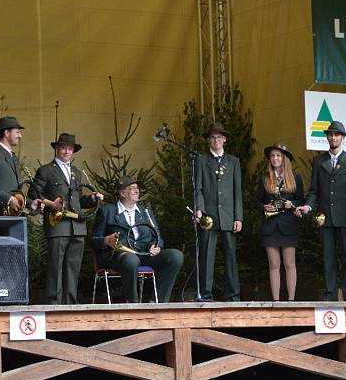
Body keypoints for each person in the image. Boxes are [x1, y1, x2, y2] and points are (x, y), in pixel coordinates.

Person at [30, 133, 104, 304]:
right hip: (58, 225)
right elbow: (34, 194)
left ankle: (70, 301)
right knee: (55, 266)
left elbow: (78, 201)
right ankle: (54, 302)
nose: (66, 151)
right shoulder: (46, 170)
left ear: (73, 151)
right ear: (57, 149)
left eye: (69, 148)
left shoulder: (76, 173)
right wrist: (51, 204)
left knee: (72, 267)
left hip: (77, 226)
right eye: (63, 147)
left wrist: (92, 198)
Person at [296, 120, 346, 301]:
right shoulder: (319, 161)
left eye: (336, 134)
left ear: (342, 137)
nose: (333, 137)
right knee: (328, 259)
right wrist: (308, 206)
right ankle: (330, 294)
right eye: (330, 134)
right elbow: (314, 190)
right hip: (325, 218)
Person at [92, 176, 184, 302]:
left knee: (176, 256)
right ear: (122, 193)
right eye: (132, 188)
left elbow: (157, 237)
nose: (137, 191)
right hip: (120, 256)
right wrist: (106, 241)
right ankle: (132, 304)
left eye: (137, 188)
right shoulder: (107, 211)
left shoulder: (145, 211)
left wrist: (155, 246)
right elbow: (94, 240)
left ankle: (157, 302)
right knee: (131, 259)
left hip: (145, 254)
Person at [194, 122, 243, 302]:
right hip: (209, 215)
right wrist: (199, 208)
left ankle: (233, 295)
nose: (216, 140)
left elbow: (238, 191)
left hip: (229, 216)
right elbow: (197, 188)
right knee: (207, 256)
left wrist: (238, 217)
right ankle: (206, 295)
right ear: (208, 140)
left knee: (231, 256)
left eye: (219, 137)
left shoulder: (234, 161)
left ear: (225, 140)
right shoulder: (201, 160)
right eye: (213, 137)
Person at [259, 143, 304, 302]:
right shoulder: (265, 178)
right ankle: (276, 302)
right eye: (272, 156)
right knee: (274, 264)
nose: (275, 158)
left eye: (278, 156)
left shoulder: (295, 177)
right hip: (270, 226)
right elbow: (257, 202)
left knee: (289, 263)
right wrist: (264, 207)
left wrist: (291, 205)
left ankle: (291, 301)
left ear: (284, 159)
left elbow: (301, 200)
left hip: (288, 225)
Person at [0, 116, 41, 217]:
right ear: (7, 133)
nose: (20, 136)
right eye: (17, 132)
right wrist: (8, 199)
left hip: (13, 216)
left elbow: (15, 191)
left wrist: (30, 203)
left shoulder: (14, 158)